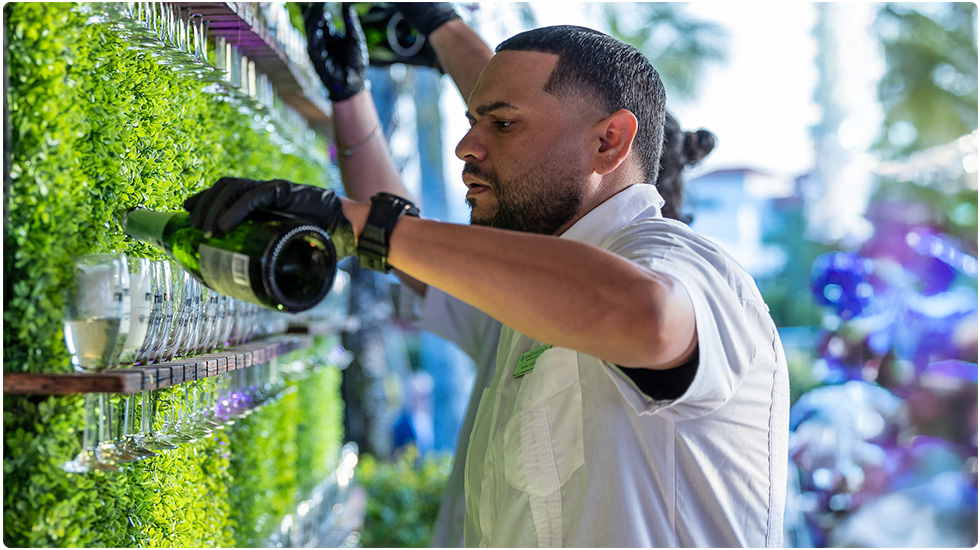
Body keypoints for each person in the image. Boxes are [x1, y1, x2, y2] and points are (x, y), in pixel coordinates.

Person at [184, 4, 789, 547]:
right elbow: (419, 258)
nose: (465, 146)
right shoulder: (525, 296)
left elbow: (645, 316)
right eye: (472, 121)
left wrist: (365, 224)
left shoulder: (687, 266)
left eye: (499, 124)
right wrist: (350, 96)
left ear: (610, 141)